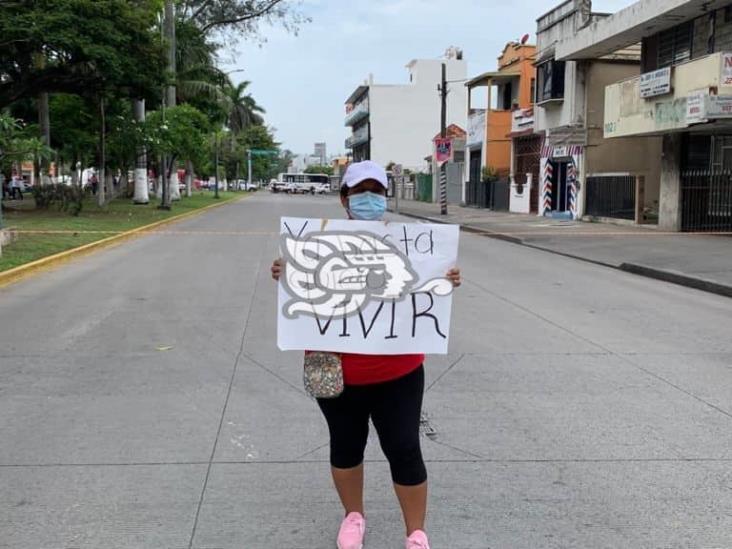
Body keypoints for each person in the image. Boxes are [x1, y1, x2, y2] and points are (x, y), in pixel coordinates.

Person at [271, 160, 461, 549]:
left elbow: (425, 284)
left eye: (378, 192)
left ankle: (416, 534)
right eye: (361, 192)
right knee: (345, 444)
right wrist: (285, 272)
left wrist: (445, 278)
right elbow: (301, 282)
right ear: (344, 198)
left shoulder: (411, 241)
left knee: (405, 447)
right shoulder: (316, 240)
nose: (370, 199)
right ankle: (353, 517)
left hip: (399, 367)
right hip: (334, 369)